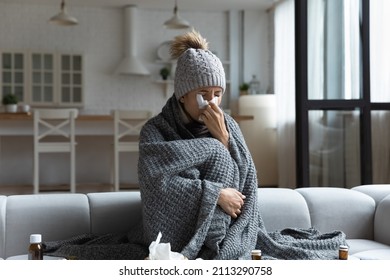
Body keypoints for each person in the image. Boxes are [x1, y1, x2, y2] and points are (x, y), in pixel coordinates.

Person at [138, 29, 347, 260]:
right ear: (182, 95)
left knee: (220, 151)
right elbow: (155, 184)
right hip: (175, 229)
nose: (212, 102)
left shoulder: (228, 125)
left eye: (218, 93)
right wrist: (214, 193)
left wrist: (224, 139)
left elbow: (248, 180)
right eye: (203, 93)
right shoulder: (155, 130)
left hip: (226, 226)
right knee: (216, 152)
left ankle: (215, 245)